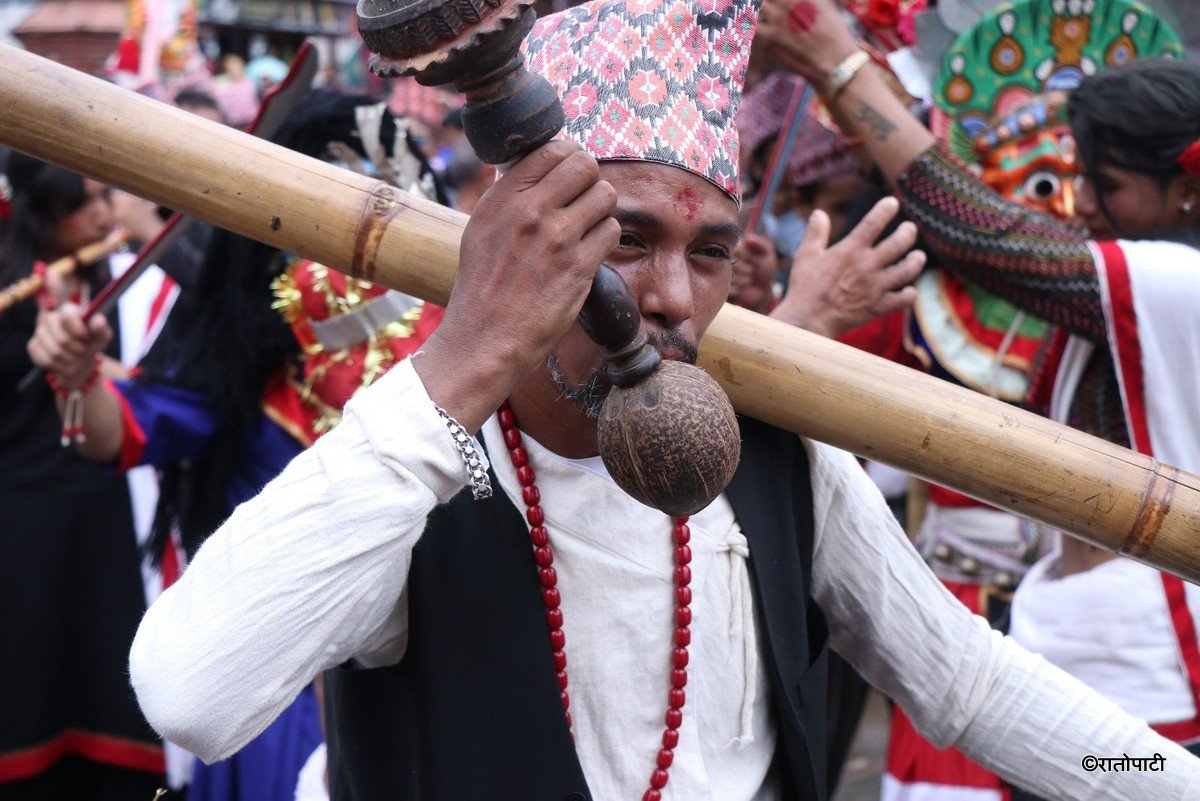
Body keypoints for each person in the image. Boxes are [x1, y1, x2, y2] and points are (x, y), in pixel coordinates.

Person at [122, 1, 1200, 800]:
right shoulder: (414, 458)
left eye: (714, 250)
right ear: (522, 240)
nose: (674, 297)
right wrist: (467, 355)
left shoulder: (780, 462)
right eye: (626, 239)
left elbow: (978, 691)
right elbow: (190, 697)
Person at [758, 0, 1200, 791]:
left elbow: (978, 230)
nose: (1081, 206)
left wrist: (841, 66)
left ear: (1185, 191)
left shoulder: (1171, 285)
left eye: (1107, 184)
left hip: (1154, 661)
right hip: (1046, 629)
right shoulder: (1133, 290)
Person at [27, 91, 448, 801]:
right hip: (291, 697)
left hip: (443, 681)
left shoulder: (473, 357)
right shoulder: (246, 382)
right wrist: (78, 375)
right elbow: (118, 430)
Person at [0, 155, 166, 798]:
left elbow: (139, 386)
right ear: (46, 214)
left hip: (98, 502)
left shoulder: (115, 279)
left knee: (101, 648)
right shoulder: (16, 286)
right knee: (31, 652)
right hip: (21, 510)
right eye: (86, 202)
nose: (104, 213)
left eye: (105, 196)